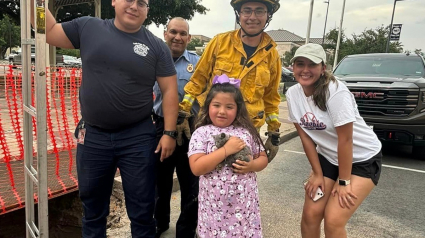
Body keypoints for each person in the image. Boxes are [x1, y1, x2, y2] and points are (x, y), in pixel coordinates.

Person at [36, 0, 179, 237]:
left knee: (143, 210)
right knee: (92, 210)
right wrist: (36, 6)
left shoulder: (156, 46)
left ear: (147, 10)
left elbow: (170, 91)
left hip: (138, 137)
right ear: (114, 1)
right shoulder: (88, 27)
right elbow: (48, 32)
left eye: (142, 3)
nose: (134, 6)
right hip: (93, 137)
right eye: (129, 0)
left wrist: (169, 133)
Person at [285, 43, 382, 238]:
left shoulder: (336, 91)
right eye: (300, 64)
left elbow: (345, 140)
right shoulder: (292, 94)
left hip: (361, 158)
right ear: (293, 67)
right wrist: (317, 173)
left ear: (323, 68)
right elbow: (305, 137)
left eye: (311, 65)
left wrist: (344, 182)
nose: (305, 70)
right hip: (328, 157)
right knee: (311, 214)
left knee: (333, 219)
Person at [178, 0, 282, 163]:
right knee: (208, 178)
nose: (252, 17)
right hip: (212, 126)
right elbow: (197, 81)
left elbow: (271, 98)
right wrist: (182, 114)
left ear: (268, 15)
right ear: (239, 14)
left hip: (248, 129)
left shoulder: (272, 55)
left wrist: (274, 132)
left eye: (259, 11)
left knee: (240, 180)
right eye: (247, 10)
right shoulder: (219, 43)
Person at [188, 77, 268, 238]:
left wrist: (252, 166)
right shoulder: (201, 133)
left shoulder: (247, 131)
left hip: (243, 208)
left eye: (229, 107)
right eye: (216, 105)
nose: (222, 111)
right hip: (214, 211)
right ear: (208, 106)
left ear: (238, 109)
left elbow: (263, 158)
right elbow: (196, 168)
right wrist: (225, 150)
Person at [152, 17, 200, 238]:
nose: (178, 37)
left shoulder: (198, 64)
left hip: (192, 130)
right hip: (159, 127)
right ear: (165, 33)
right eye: (173, 32)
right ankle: (159, 223)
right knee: (159, 181)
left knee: (191, 184)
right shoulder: (153, 60)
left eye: (183, 33)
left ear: (189, 38)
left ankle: (186, 230)